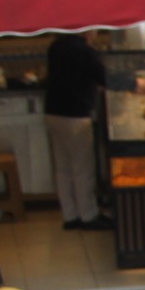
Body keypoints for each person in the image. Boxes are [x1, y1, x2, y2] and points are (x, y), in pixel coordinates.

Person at [42, 32, 108, 231]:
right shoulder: (85, 51)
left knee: (63, 168)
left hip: (53, 112)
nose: (96, 33)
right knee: (82, 169)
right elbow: (104, 77)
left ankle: (70, 216)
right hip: (75, 115)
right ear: (87, 30)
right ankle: (89, 216)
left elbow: (70, 77)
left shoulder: (56, 46)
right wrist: (136, 84)